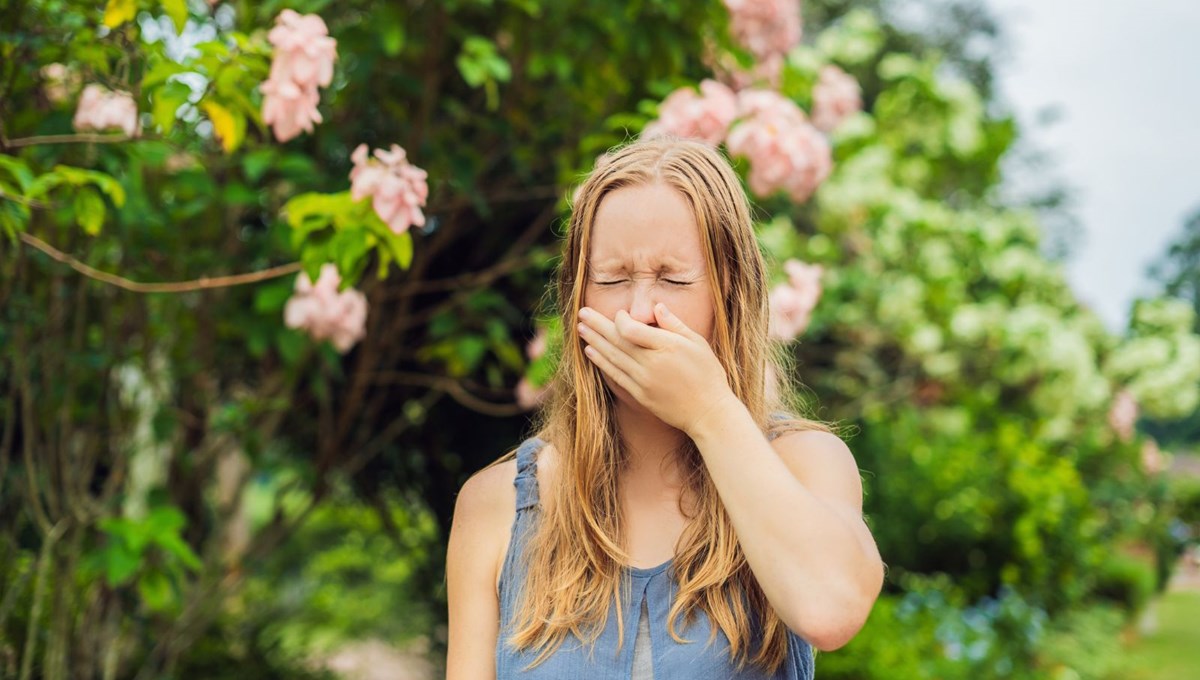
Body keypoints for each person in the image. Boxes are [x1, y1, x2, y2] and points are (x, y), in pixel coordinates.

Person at [446, 136, 884, 679]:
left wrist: (709, 412)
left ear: (730, 294)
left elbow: (831, 609)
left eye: (673, 280)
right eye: (610, 279)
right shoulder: (496, 507)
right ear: (576, 295)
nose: (637, 313)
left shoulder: (805, 464)